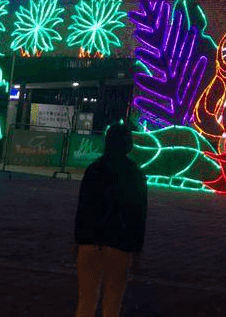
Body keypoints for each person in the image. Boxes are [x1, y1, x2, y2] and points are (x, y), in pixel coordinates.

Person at [73, 122, 146, 317]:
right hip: (119, 243)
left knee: (86, 301)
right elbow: (139, 215)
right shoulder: (134, 174)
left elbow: (83, 208)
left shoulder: (94, 169)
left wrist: (78, 240)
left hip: (89, 241)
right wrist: (137, 249)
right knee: (113, 303)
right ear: (128, 145)